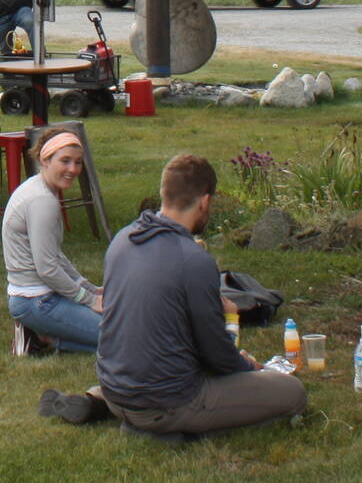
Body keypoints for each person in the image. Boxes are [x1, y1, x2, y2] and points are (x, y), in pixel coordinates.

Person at [81, 153, 306, 440]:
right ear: (205, 201)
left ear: (164, 194)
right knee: (292, 393)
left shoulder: (123, 240)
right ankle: (177, 431)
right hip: (167, 402)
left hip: (115, 390)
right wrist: (247, 367)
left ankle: (110, 406)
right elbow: (216, 352)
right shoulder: (193, 260)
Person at [4, 126, 103, 356]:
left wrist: (90, 289)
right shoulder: (41, 201)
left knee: (118, 330)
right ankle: (41, 337)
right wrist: (89, 300)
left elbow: (55, 255)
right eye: (65, 161)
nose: (73, 169)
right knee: (121, 339)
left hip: (40, 297)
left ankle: (40, 334)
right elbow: (47, 269)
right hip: (37, 302)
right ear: (45, 159)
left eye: (78, 162)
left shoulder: (38, 188)